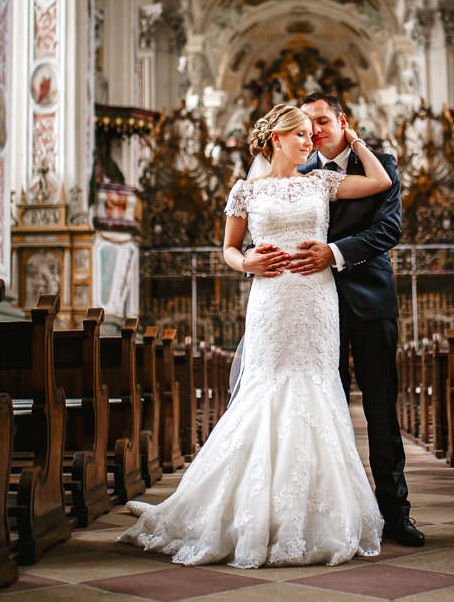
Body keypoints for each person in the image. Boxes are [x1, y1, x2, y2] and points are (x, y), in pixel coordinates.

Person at [119, 104, 392, 567]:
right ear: (278, 139)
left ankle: (314, 515)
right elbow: (227, 248)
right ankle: (245, 512)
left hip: (315, 300)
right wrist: (246, 262)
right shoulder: (245, 191)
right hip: (270, 300)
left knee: (316, 389)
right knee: (264, 391)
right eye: (301, 134)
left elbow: (381, 182)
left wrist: (355, 139)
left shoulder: (320, 182)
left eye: (313, 133)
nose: (310, 141)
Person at [284, 92, 424, 548]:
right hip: (315, 303)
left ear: (343, 121)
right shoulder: (301, 173)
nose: (316, 130)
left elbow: (388, 230)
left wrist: (335, 253)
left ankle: (396, 513)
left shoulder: (380, 164)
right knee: (328, 409)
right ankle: (340, 516)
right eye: (308, 123)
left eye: (322, 120)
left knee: (382, 408)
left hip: (371, 298)